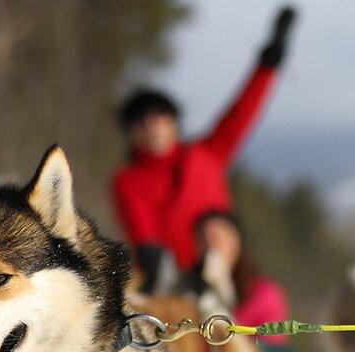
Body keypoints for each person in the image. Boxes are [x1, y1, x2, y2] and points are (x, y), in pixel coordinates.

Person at [112, 5, 297, 292]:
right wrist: (156, 263)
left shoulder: (207, 154)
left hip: (229, 277)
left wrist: (269, 61)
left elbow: (243, 111)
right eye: (141, 118)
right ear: (130, 132)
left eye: (160, 114)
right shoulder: (129, 181)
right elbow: (143, 233)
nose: (152, 123)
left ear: (173, 122)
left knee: (267, 305)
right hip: (172, 283)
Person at [186, 212, 291, 347]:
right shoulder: (186, 288)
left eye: (216, 238)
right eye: (202, 238)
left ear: (235, 241)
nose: (210, 246)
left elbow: (270, 347)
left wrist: (222, 292)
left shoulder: (265, 293)